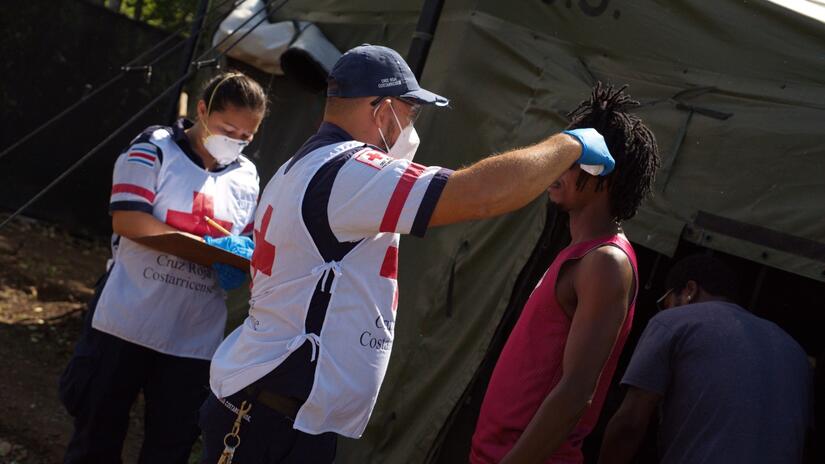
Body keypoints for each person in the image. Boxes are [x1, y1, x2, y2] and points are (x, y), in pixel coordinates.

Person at [197, 44, 616, 463]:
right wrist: (569, 145)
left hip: (281, 409)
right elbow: (481, 196)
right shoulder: (352, 169)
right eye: (408, 113)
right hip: (271, 416)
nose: (409, 129)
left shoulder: (306, 164)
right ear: (381, 111)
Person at [59, 71, 267, 463]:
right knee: (96, 437)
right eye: (227, 129)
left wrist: (241, 259)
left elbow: (247, 244)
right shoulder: (153, 148)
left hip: (192, 336)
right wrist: (207, 250)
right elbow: (129, 221)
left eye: (246, 137)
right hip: (127, 321)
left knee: (170, 446)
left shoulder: (247, 177)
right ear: (202, 111)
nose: (235, 142)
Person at [470, 84, 661, 464]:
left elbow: (576, 392)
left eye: (575, 157)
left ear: (604, 170)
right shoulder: (582, 254)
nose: (558, 165)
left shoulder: (607, 262)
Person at [598, 254, 812, 464]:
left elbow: (629, 426)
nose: (665, 310)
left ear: (690, 290)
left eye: (666, 302)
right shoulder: (795, 351)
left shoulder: (673, 322)